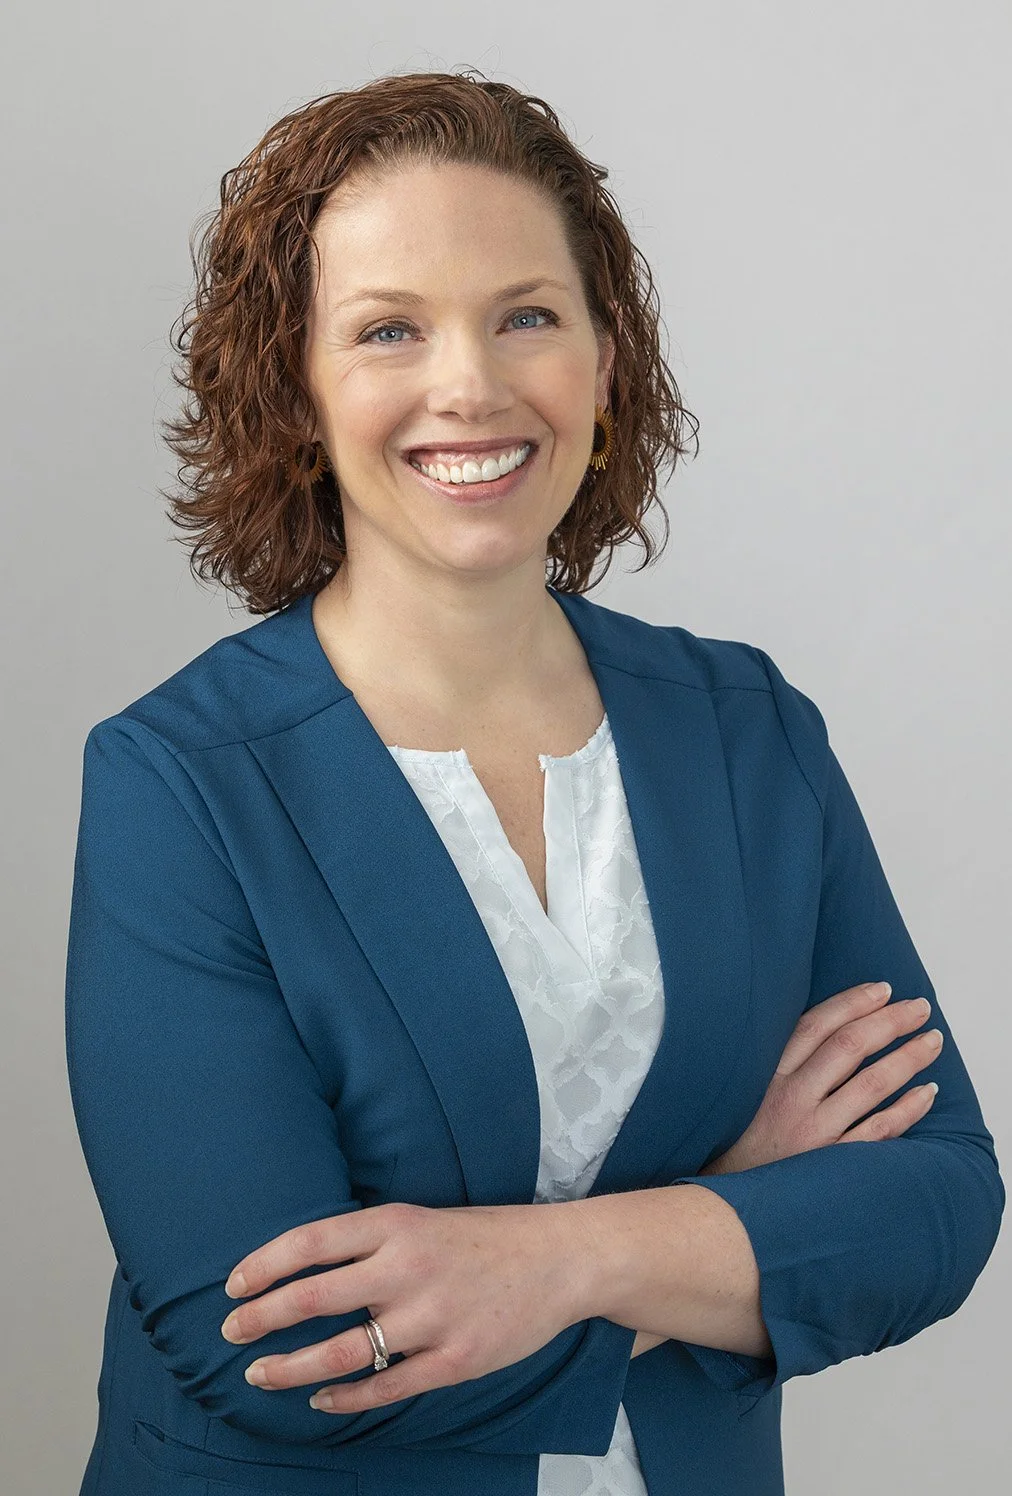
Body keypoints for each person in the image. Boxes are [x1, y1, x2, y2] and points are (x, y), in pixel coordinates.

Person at [65, 70, 1003, 1496]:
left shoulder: (747, 732)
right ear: (297, 389)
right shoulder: (178, 785)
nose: (472, 387)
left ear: (603, 363)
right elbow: (277, 1351)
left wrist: (561, 1260)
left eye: (527, 317)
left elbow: (935, 1202)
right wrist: (742, 1213)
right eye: (390, 330)